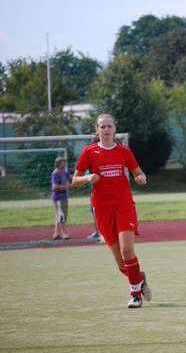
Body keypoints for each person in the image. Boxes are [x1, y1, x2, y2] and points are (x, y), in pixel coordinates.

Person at [72, 114, 152, 308]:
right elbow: (75, 179)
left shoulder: (124, 151)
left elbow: (138, 173)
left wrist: (141, 178)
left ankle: (135, 295)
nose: (106, 130)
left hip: (124, 206)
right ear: (96, 130)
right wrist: (87, 178)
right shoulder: (89, 152)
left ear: (115, 129)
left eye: (109, 126)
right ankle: (139, 279)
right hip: (102, 209)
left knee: (127, 251)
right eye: (102, 127)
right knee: (122, 265)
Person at [50, 156, 72, 241]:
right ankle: (64, 233)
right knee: (61, 215)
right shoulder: (55, 173)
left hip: (64, 197)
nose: (65, 164)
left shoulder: (64, 172)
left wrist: (80, 178)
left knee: (61, 215)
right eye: (63, 162)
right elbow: (54, 187)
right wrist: (66, 186)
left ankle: (56, 234)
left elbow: (71, 178)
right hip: (58, 198)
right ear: (58, 164)